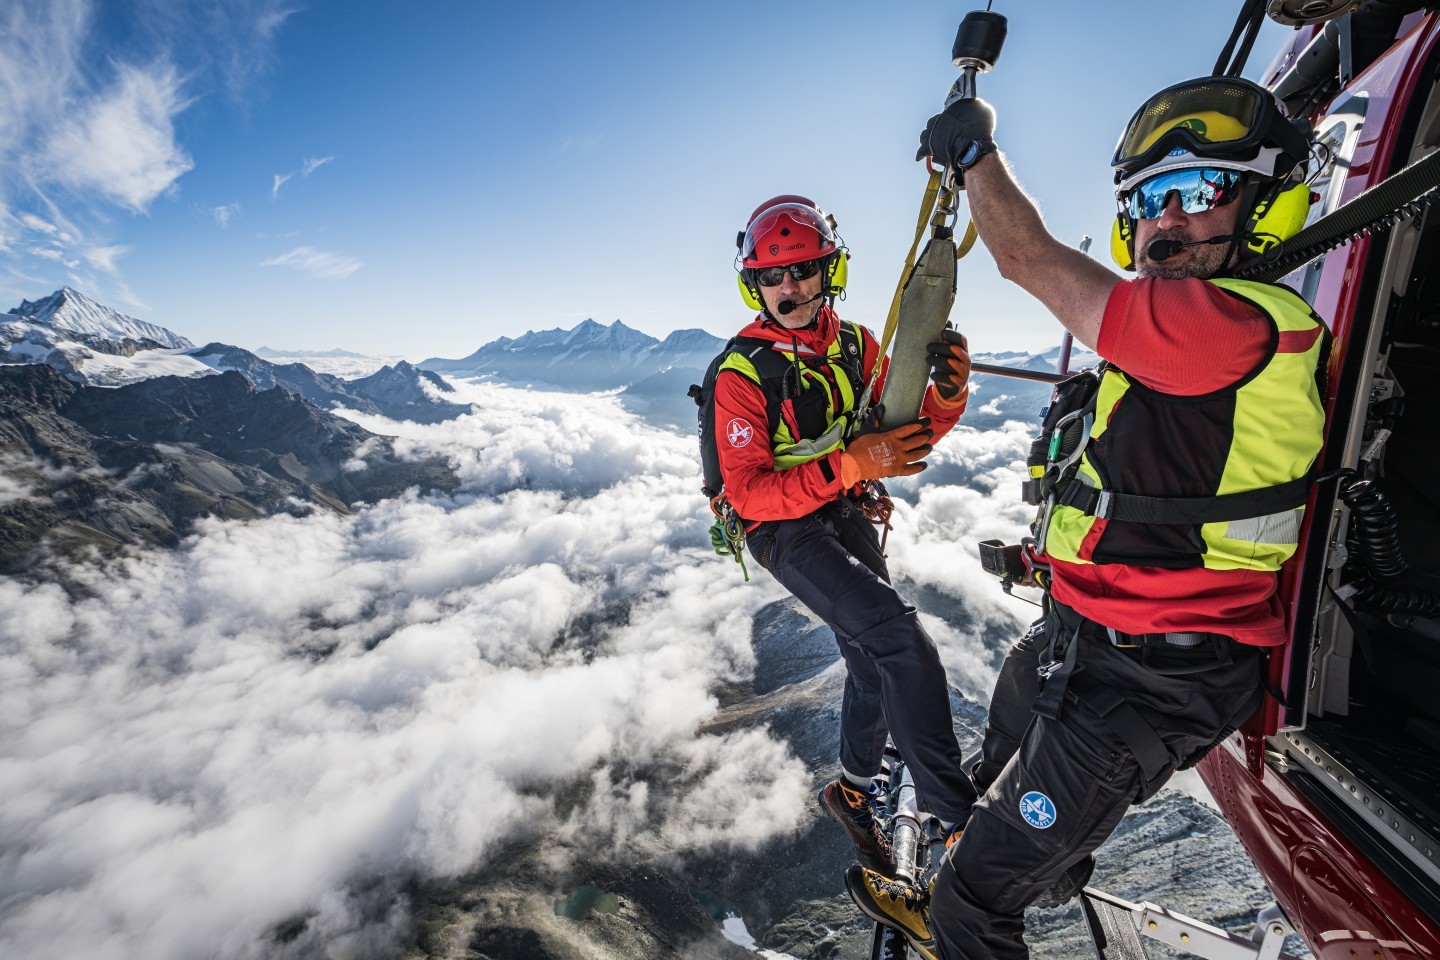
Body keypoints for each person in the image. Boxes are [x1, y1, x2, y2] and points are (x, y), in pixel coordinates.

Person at [846, 77, 1327, 960]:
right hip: (1092, 635)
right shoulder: (1197, 340)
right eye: (1147, 200)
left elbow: (1025, 256)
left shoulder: (1226, 324)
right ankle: (1028, 855)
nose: (1164, 222)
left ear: (1262, 204)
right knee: (993, 762)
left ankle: (979, 893)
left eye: (1197, 191)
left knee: (969, 909)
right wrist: (1059, 563)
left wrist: (974, 156)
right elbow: (1169, 481)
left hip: (1153, 679)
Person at [714, 195, 979, 876]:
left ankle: (855, 794)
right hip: (780, 528)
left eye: (802, 270)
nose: (788, 288)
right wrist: (852, 466)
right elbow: (749, 493)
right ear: (754, 285)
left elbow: (905, 436)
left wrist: (947, 397)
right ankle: (961, 824)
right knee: (900, 640)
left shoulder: (856, 346)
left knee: (871, 660)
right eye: (772, 276)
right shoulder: (742, 373)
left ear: (829, 271)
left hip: (840, 505)